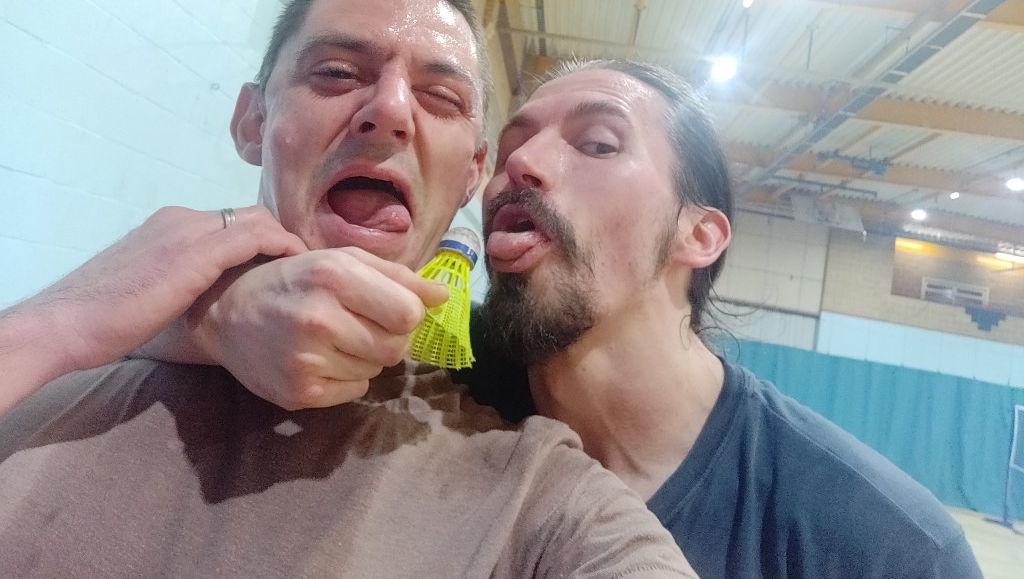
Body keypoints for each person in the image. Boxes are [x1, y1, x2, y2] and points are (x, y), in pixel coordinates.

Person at [0, 0, 697, 578]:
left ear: (472, 173)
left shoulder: (535, 496)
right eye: (336, 73)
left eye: (441, 98)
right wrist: (73, 320)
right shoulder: (61, 371)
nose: (390, 110)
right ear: (252, 121)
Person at [153, 58, 984, 578]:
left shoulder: (883, 545)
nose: (521, 163)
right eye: (514, 141)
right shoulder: (427, 373)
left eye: (597, 144)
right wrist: (214, 316)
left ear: (698, 235)